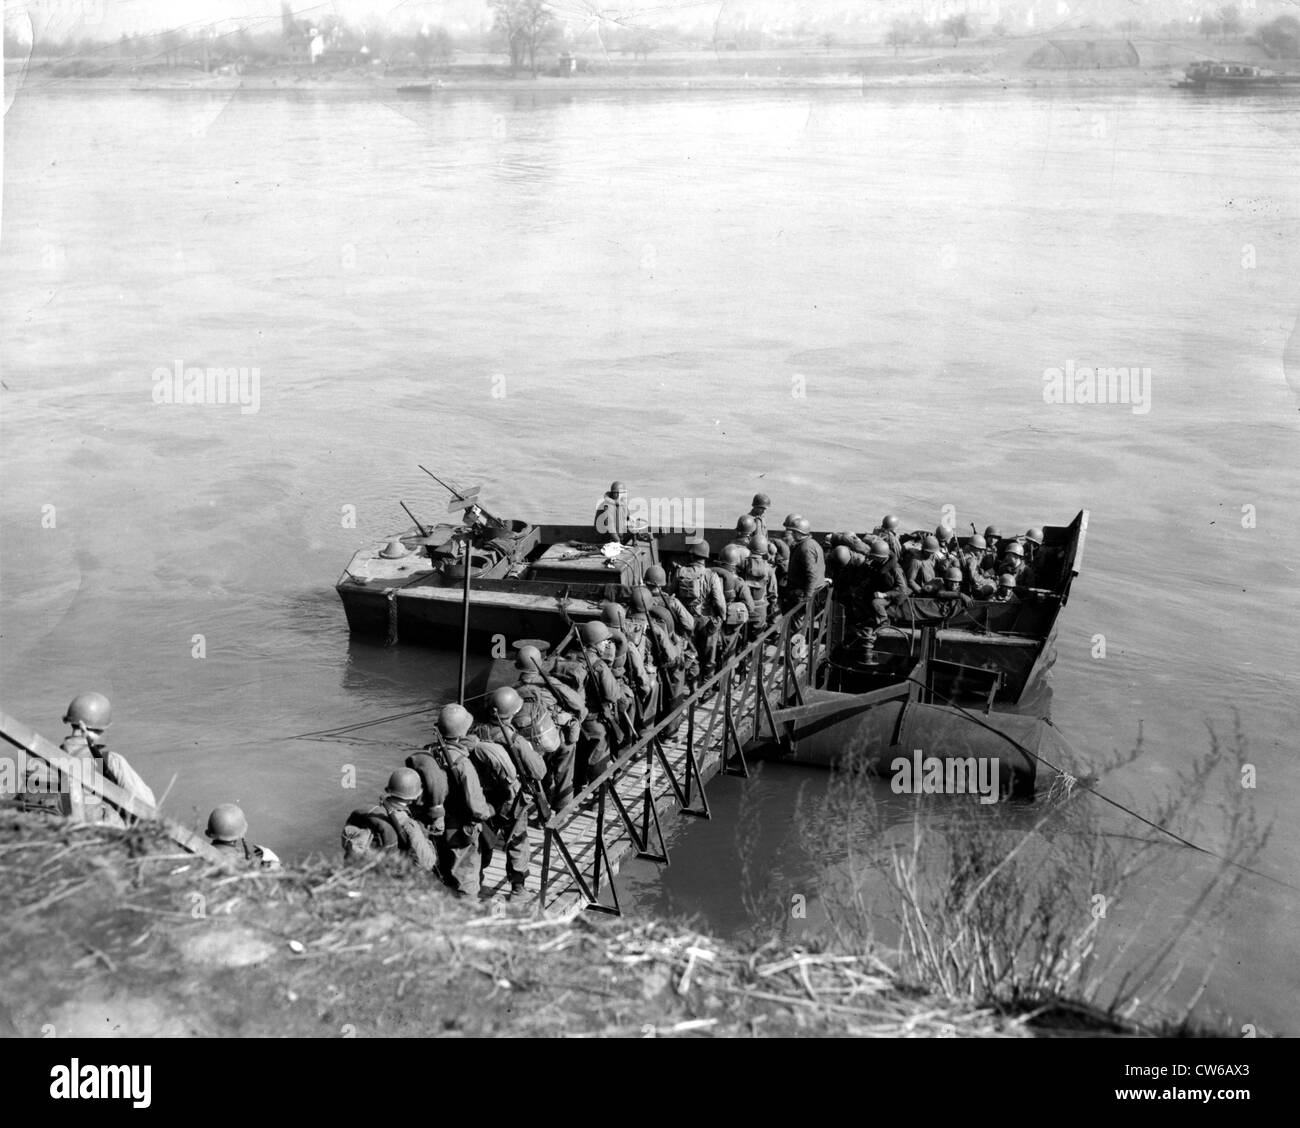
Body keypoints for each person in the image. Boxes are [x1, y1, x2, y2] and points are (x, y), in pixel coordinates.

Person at [47, 693, 156, 827]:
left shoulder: (44, 761)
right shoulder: (111, 761)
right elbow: (148, 808)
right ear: (101, 729)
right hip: (107, 837)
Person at [480, 687, 548, 900]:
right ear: (512, 712)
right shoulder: (515, 740)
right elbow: (539, 771)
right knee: (518, 841)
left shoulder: (476, 732)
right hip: (512, 799)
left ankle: (477, 881)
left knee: (484, 840)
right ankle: (518, 890)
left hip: (485, 798)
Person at [430, 704, 495, 898]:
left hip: (436, 827)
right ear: (463, 731)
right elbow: (477, 808)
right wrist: (490, 810)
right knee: (466, 881)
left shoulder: (430, 754)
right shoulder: (462, 763)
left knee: (442, 875)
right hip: (460, 833)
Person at [513, 644, 584, 812]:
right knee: (564, 771)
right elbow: (578, 704)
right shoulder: (551, 683)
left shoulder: (513, 690)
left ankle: (540, 812)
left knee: (540, 773)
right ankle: (562, 811)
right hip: (557, 735)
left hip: (531, 742)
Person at [341, 769, 439, 874]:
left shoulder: (373, 812)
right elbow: (427, 863)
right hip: (388, 875)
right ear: (414, 797)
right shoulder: (409, 824)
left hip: (358, 868)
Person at [570, 620, 626, 789]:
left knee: (579, 754)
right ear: (596, 644)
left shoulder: (570, 658)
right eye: (605, 641)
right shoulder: (599, 665)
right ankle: (598, 798)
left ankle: (579, 785)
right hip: (594, 719)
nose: (607, 645)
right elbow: (613, 695)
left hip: (574, 718)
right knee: (599, 756)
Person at [673, 540, 727, 685]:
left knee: (690, 653)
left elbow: (671, 594)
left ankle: (692, 686)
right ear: (705, 557)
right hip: (707, 621)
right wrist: (722, 617)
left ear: (692, 555)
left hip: (685, 620)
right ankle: (707, 686)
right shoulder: (711, 575)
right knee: (709, 656)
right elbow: (719, 601)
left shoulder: (680, 572)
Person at [853, 538, 909, 650]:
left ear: (881, 557)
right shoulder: (879, 563)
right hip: (881, 589)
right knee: (858, 597)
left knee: (876, 603)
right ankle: (868, 618)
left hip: (894, 594)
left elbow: (902, 589)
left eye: (875, 557)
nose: (872, 558)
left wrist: (885, 595)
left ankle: (883, 623)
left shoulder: (895, 568)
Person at [712, 544, 755, 668]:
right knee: (728, 652)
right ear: (735, 564)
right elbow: (751, 607)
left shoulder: (710, 576)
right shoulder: (738, 583)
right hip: (730, 625)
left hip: (711, 621)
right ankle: (726, 684)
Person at [204, 803, 280, 868]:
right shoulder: (241, 862)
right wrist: (274, 862)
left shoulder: (203, 852)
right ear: (242, 833)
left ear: (208, 833)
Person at [781, 517, 825, 614]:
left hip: (801, 594)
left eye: (794, 532)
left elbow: (811, 573)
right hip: (806, 590)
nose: (791, 534)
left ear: (800, 533)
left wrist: (807, 597)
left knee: (796, 623)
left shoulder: (805, 548)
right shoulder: (812, 543)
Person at [741, 533, 779, 641]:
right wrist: (772, 605)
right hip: (761, 607)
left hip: (744, 606)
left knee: (743, 636)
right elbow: (773, 592)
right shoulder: (769, 569)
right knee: (759, 637)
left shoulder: (743, 565)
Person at [958, 533, 997, 598]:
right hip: (970, 588)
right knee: (993, 584)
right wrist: (986, 580)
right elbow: (975, 579)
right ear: (976, 550)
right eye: (981, 550)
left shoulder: (965, 555)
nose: (982, 553)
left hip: (965, 584)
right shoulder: (972, 560)